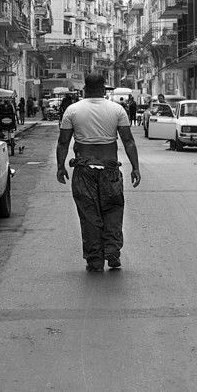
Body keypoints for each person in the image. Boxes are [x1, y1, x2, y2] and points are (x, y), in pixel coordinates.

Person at [57, 74, 141, 272]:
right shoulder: (117, 109)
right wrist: (135, 167)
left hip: (84, 171)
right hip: (110, 170)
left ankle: (95, 259)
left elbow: (63, 143)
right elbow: (128, 141)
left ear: (85, 89)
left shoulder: (72, 110)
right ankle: (112, 251)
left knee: (88, 214)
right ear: (103, 89)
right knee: (112, 210)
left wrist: (60, 166)